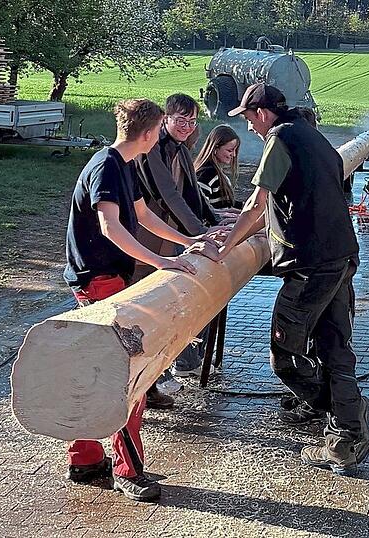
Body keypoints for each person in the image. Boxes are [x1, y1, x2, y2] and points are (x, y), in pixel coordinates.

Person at [204, 83, 369, 476]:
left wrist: (223, 249)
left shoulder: (279, 138)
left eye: (248, 118)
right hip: (341, 256)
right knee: (333, 345)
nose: (248, 128)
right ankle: (346, 436)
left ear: (262, 112)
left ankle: (344, 416)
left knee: (286, 356)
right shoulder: (313, 136)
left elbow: (256, 202)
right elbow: (293, 198)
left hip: (311, 265)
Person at [62, 98, 219, 502]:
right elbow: (110, 226)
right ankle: (128, 471)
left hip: (112, 277)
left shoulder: (124, 163)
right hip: (99, 281)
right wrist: (164, 262)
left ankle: (84, 458)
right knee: (128, 374)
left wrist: (189, 242)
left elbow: (144, 215)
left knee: (98, 369)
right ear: (150, 132)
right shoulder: (107, 166)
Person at [133, 94, 227, 389]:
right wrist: (199, 234)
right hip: (145, 237)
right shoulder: (153, 148)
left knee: (168, 298)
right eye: (180, 120)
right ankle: (149, 379)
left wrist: (217, 220)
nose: (187, 126)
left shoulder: (182, 149)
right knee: (145, 305)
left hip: (170, 235)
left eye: (192, 121)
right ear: (165, 119)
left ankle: (165, 371)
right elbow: (168, 195)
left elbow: (193, 195)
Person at [194, 125, 243, 210]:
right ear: (215, 148)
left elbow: (226, 203)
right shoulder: (206, 175)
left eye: (235, 151)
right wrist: (226, 214)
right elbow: (200, 208)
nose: (234, 155)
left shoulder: (219, 174)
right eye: (230, 150)